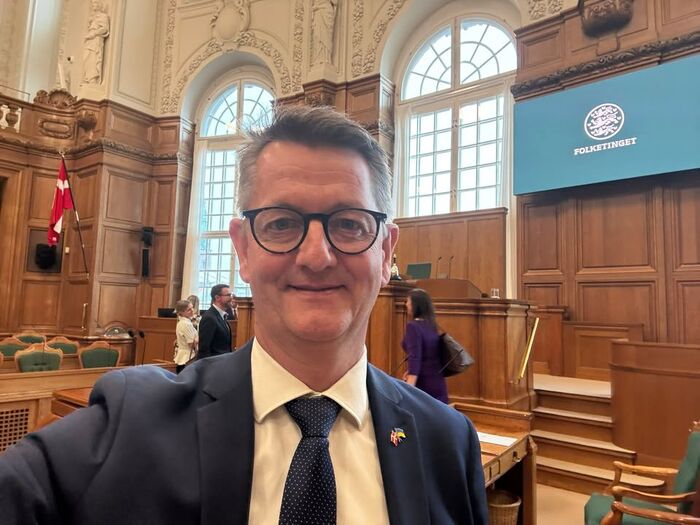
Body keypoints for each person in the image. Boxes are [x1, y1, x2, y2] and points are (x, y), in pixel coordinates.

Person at [0, 106, 488, 524]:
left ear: (386, 252)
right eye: (281, 223)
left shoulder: (448, 442)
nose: (316, 256)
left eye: (349, 224)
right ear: (243, 249)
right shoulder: (132, 422)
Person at [402, 288, 449, 403]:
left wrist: (408, 390)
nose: (406, 304)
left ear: (415, 305)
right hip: (438, 382)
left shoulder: (413, 327)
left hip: (423, 386)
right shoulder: (431, 325)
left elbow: (415, 358)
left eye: (408, 301)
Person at [196, 283, 233, 359]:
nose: (231, 298)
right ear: (217, 298)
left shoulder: (221, 315)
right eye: (228, 295)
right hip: (214, 363)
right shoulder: (209, 318)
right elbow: (204, 349)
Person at [82, 0, 110, 84]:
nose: (93, 5)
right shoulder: (92, 18)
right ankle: (88, 78)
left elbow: (105, 28)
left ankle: (93, 80)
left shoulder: (103, 16)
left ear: (99, 5)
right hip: (90, 40)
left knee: (93, 58)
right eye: (93, 3)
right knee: (86, 58)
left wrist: (93, 34)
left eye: (95, 3)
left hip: (96, 40)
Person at [173, 299, 198, 374]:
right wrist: (201, 337)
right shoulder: (186, 324)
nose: (192, 310)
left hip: (184, 358)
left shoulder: (182, 322)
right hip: (187, 359)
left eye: (192, 308)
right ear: (181, 312)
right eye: (189, 310)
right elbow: (191, 344)